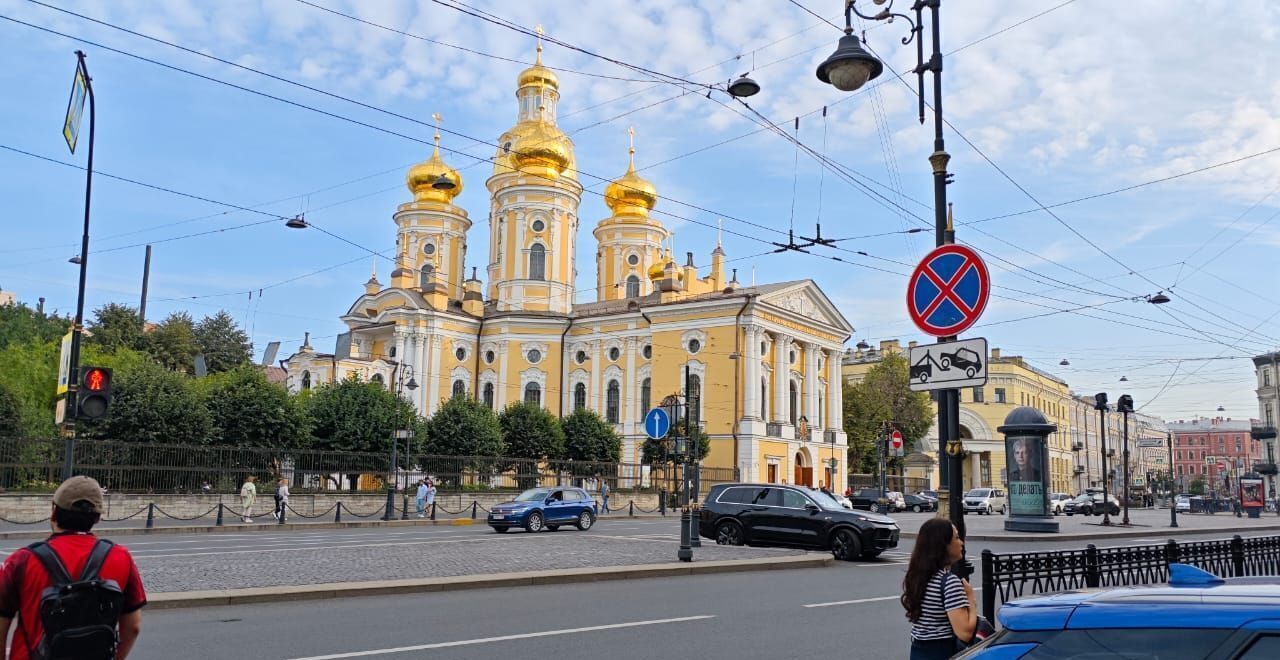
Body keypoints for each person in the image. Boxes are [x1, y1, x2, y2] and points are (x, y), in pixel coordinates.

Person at [0, 476, 146, 660]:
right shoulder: (121, 557)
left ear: (54, 511)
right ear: (98, 517)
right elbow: (133, 627)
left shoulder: (21, 560)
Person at [901, 518, 978, 659]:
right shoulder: (949, 582)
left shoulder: (917, 577)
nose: (961, 543)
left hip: (918, 651)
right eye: (957, 538)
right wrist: (971, 600)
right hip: (941, 652)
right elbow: (965, 633)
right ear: (943, 545)